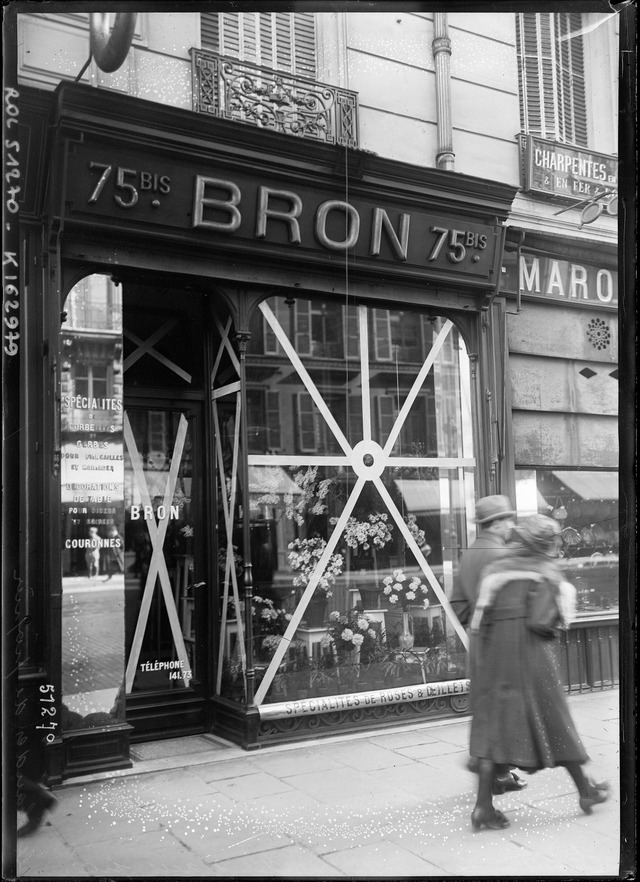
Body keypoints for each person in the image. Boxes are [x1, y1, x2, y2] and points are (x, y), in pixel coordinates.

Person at [468, 514, 609, 831]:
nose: (557, 547)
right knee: (555, 720)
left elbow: (479, 623)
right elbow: (551, 622)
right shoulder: (546, 572)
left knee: (494, 728)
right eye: (554, 541)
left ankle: (482, 808)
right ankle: (585, 791)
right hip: (533, 657)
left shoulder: (494, 571)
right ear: (545, 544)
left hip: (495, 658)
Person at [452, 495, 526, 795]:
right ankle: (487, 767)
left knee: (488, 707)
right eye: (508, 519)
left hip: (480, 643)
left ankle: (498, 772)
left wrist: (478, 626)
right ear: (495, 523)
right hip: (503, 645)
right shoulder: (502, 555)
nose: (512, 524)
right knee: (506, 709)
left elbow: (457, 604)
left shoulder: (469, 554)